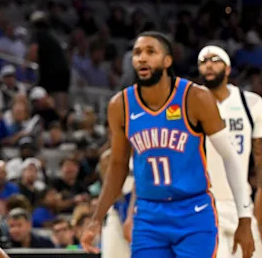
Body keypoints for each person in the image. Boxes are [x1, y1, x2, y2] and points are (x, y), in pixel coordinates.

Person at [81, 31, 255, 257]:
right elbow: (117, 165)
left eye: (150, 52)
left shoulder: (196, 98)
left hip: (193, 211)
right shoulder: (120, 105)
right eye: (137, 53)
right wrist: (96, 218)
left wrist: (244, 218)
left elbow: (230, 157)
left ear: (167, 61)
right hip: (148, 215)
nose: (142, 58)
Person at [197, 43, 262, 258]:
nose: (208, 65)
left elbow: (259, 158)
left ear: (227, 69)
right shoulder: (190, 105)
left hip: (240, 202)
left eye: (215, 60)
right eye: (203, 62)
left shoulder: (251, 103)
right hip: (202, 202)